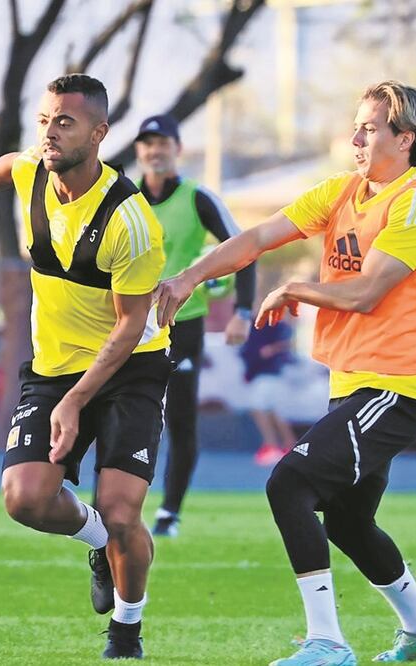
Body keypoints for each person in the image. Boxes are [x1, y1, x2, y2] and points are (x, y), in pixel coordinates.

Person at [156, 81, 416, 665]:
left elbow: (368, 292)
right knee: (347, 520)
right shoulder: (341, 191)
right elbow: (256, 238)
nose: (356, 138)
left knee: (288, 483)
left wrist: (296, 287)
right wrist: (189, 277)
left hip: (395, 389)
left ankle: (328, 643)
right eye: (356, 126)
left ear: (406, 139)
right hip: (353, 386)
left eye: (370, 128)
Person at [0, 74, 172, 659]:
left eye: (65, 122)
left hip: (131, 368)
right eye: (45, 120)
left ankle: (126, 632)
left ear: (98, 134)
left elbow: (130, 327)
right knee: (24, 499)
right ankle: (98, 542)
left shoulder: (130, 221)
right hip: (53, 368)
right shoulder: (34, 170)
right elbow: (4, 168)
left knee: (122, 510)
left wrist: (76, 401)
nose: (50, 132)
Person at [132, 113, 256, 538]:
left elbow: (244, 248)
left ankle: (169, 512)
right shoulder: (124, 198)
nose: (155, 151)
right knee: (122, 415)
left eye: (163, 143)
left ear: (177, 149)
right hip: (129, 325)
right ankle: (110, 508)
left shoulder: (197, 198)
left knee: (180, 420)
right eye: (148, 144)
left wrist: (243, 312)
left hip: (182, 325)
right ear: (139, 151)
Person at [240, 316, 297, 466]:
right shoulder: (254, 324)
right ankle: (284, 446)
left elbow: (285, 345)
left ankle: (275, 445)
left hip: (270, 373)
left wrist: (271, 350)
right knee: (273, 410)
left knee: (262, 409)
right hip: (264, 373)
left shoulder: (277, 325)